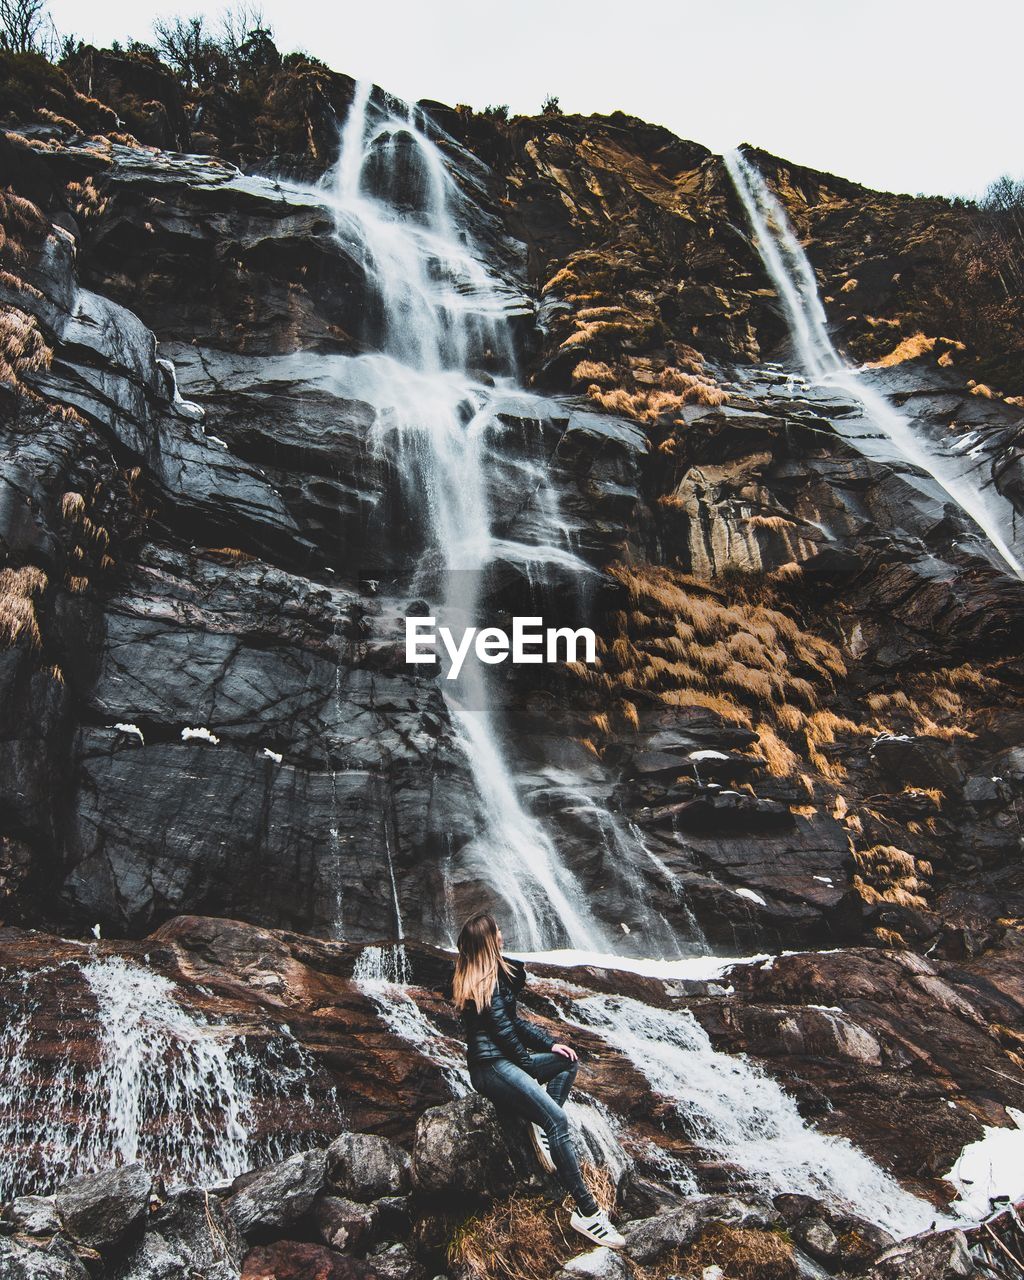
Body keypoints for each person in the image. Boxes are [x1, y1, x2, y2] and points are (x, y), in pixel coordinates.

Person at [452, 912, 626, 1249]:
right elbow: (503, 1032)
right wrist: (529, 1067)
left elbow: (513, 1024)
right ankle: (587, 1213)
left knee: (566, 1062)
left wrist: (549, 1044)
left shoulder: (488, 976)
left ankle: (541, 1126)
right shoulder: (488, 981)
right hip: (492, 1067)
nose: (503, 933)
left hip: (501, 1063)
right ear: (490, 940)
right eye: (498, 930)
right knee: (557, 1119)